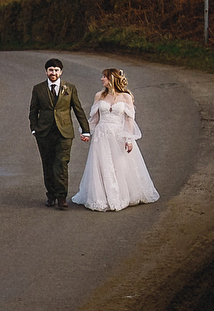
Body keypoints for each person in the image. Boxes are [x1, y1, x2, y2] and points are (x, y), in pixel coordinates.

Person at [71, 67, 159, 211]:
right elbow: (94, 119)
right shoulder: (99, 96)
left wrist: (128, 139)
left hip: (118, 135)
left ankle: (122, 194)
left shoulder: (126, 97)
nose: (102, 79)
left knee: (120, 164)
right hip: (101, 136)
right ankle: (103, 196)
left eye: (104, 77)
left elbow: (129, 120)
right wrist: (86, 132)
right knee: (102, 165)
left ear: (112, 78)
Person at [28, 58, 90, 210]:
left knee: (61, 164)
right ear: (46, 72)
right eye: (50, 70)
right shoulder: (38, 89)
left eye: (56, 70)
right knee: (47, 164)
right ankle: (51, 196)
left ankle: (62, 197)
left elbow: (78, 109)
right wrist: (34, 129)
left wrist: (85, 129)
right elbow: (33, 111)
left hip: (64, 133)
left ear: (61, 72)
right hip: (44, 133)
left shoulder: (69, 88)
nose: (53, 73)